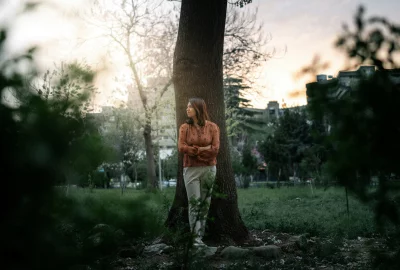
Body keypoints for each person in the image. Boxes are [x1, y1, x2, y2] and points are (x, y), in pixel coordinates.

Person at [178, 97, 220, 247]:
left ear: (198, 109)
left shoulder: (213, 127)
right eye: (187, 106)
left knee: (205, 204)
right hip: (190, 169)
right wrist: (204, 149)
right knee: (194, 203)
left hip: (209, 169)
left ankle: (200, 237)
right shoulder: (184, 128)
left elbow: (215, 150)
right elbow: (182, 148)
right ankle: (195, 240)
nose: (187, 109)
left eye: (190, 107)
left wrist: (196, 150)